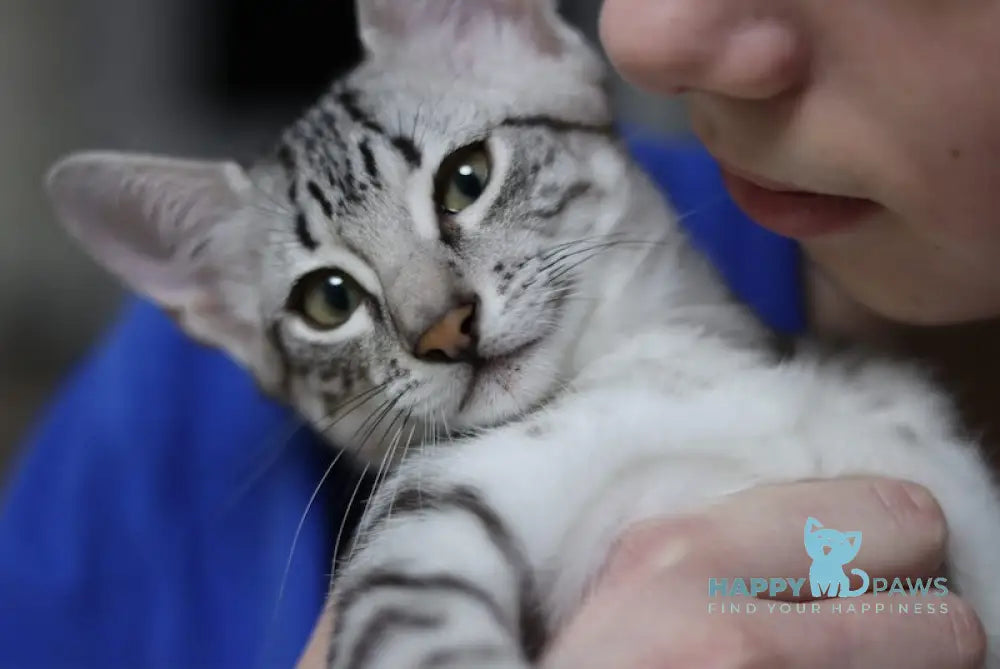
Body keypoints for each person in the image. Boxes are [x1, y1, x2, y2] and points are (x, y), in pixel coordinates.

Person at [2, 1, 995, 668]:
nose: (436, 320)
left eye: (462, 183)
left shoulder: (865, 406)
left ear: (520, 35)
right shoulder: (167, 437)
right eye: (331, 296)